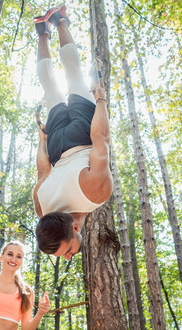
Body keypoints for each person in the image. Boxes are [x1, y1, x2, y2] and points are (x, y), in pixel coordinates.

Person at [32, 5, 112, 260]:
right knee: (50, 86)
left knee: (73, 74)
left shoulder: (96, 193)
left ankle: (60, 20)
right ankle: (42, 32)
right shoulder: (42, 210)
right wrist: (42, 141)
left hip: (81, 135)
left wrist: (100, 102)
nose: (68, 257)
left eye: (66, 251)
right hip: (55, 144)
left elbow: (101, 139)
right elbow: (43, 171)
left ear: (75, 228)